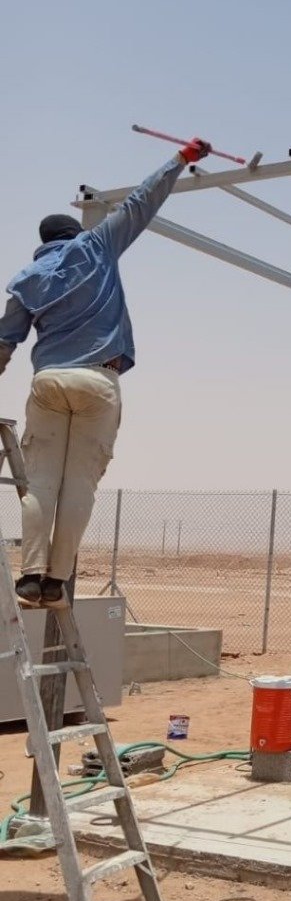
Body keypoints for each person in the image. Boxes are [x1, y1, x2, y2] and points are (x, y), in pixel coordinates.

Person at [0, 138, 211, 607]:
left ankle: (30, 577)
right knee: (79, 486)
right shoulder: (95, 246)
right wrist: (181, 158)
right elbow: (141, 203)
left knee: (41, 484)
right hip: (98, 380)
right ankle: (56, 583)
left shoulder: (26, 279)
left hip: (48, 382)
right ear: (73, 233)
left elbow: (4, 341)